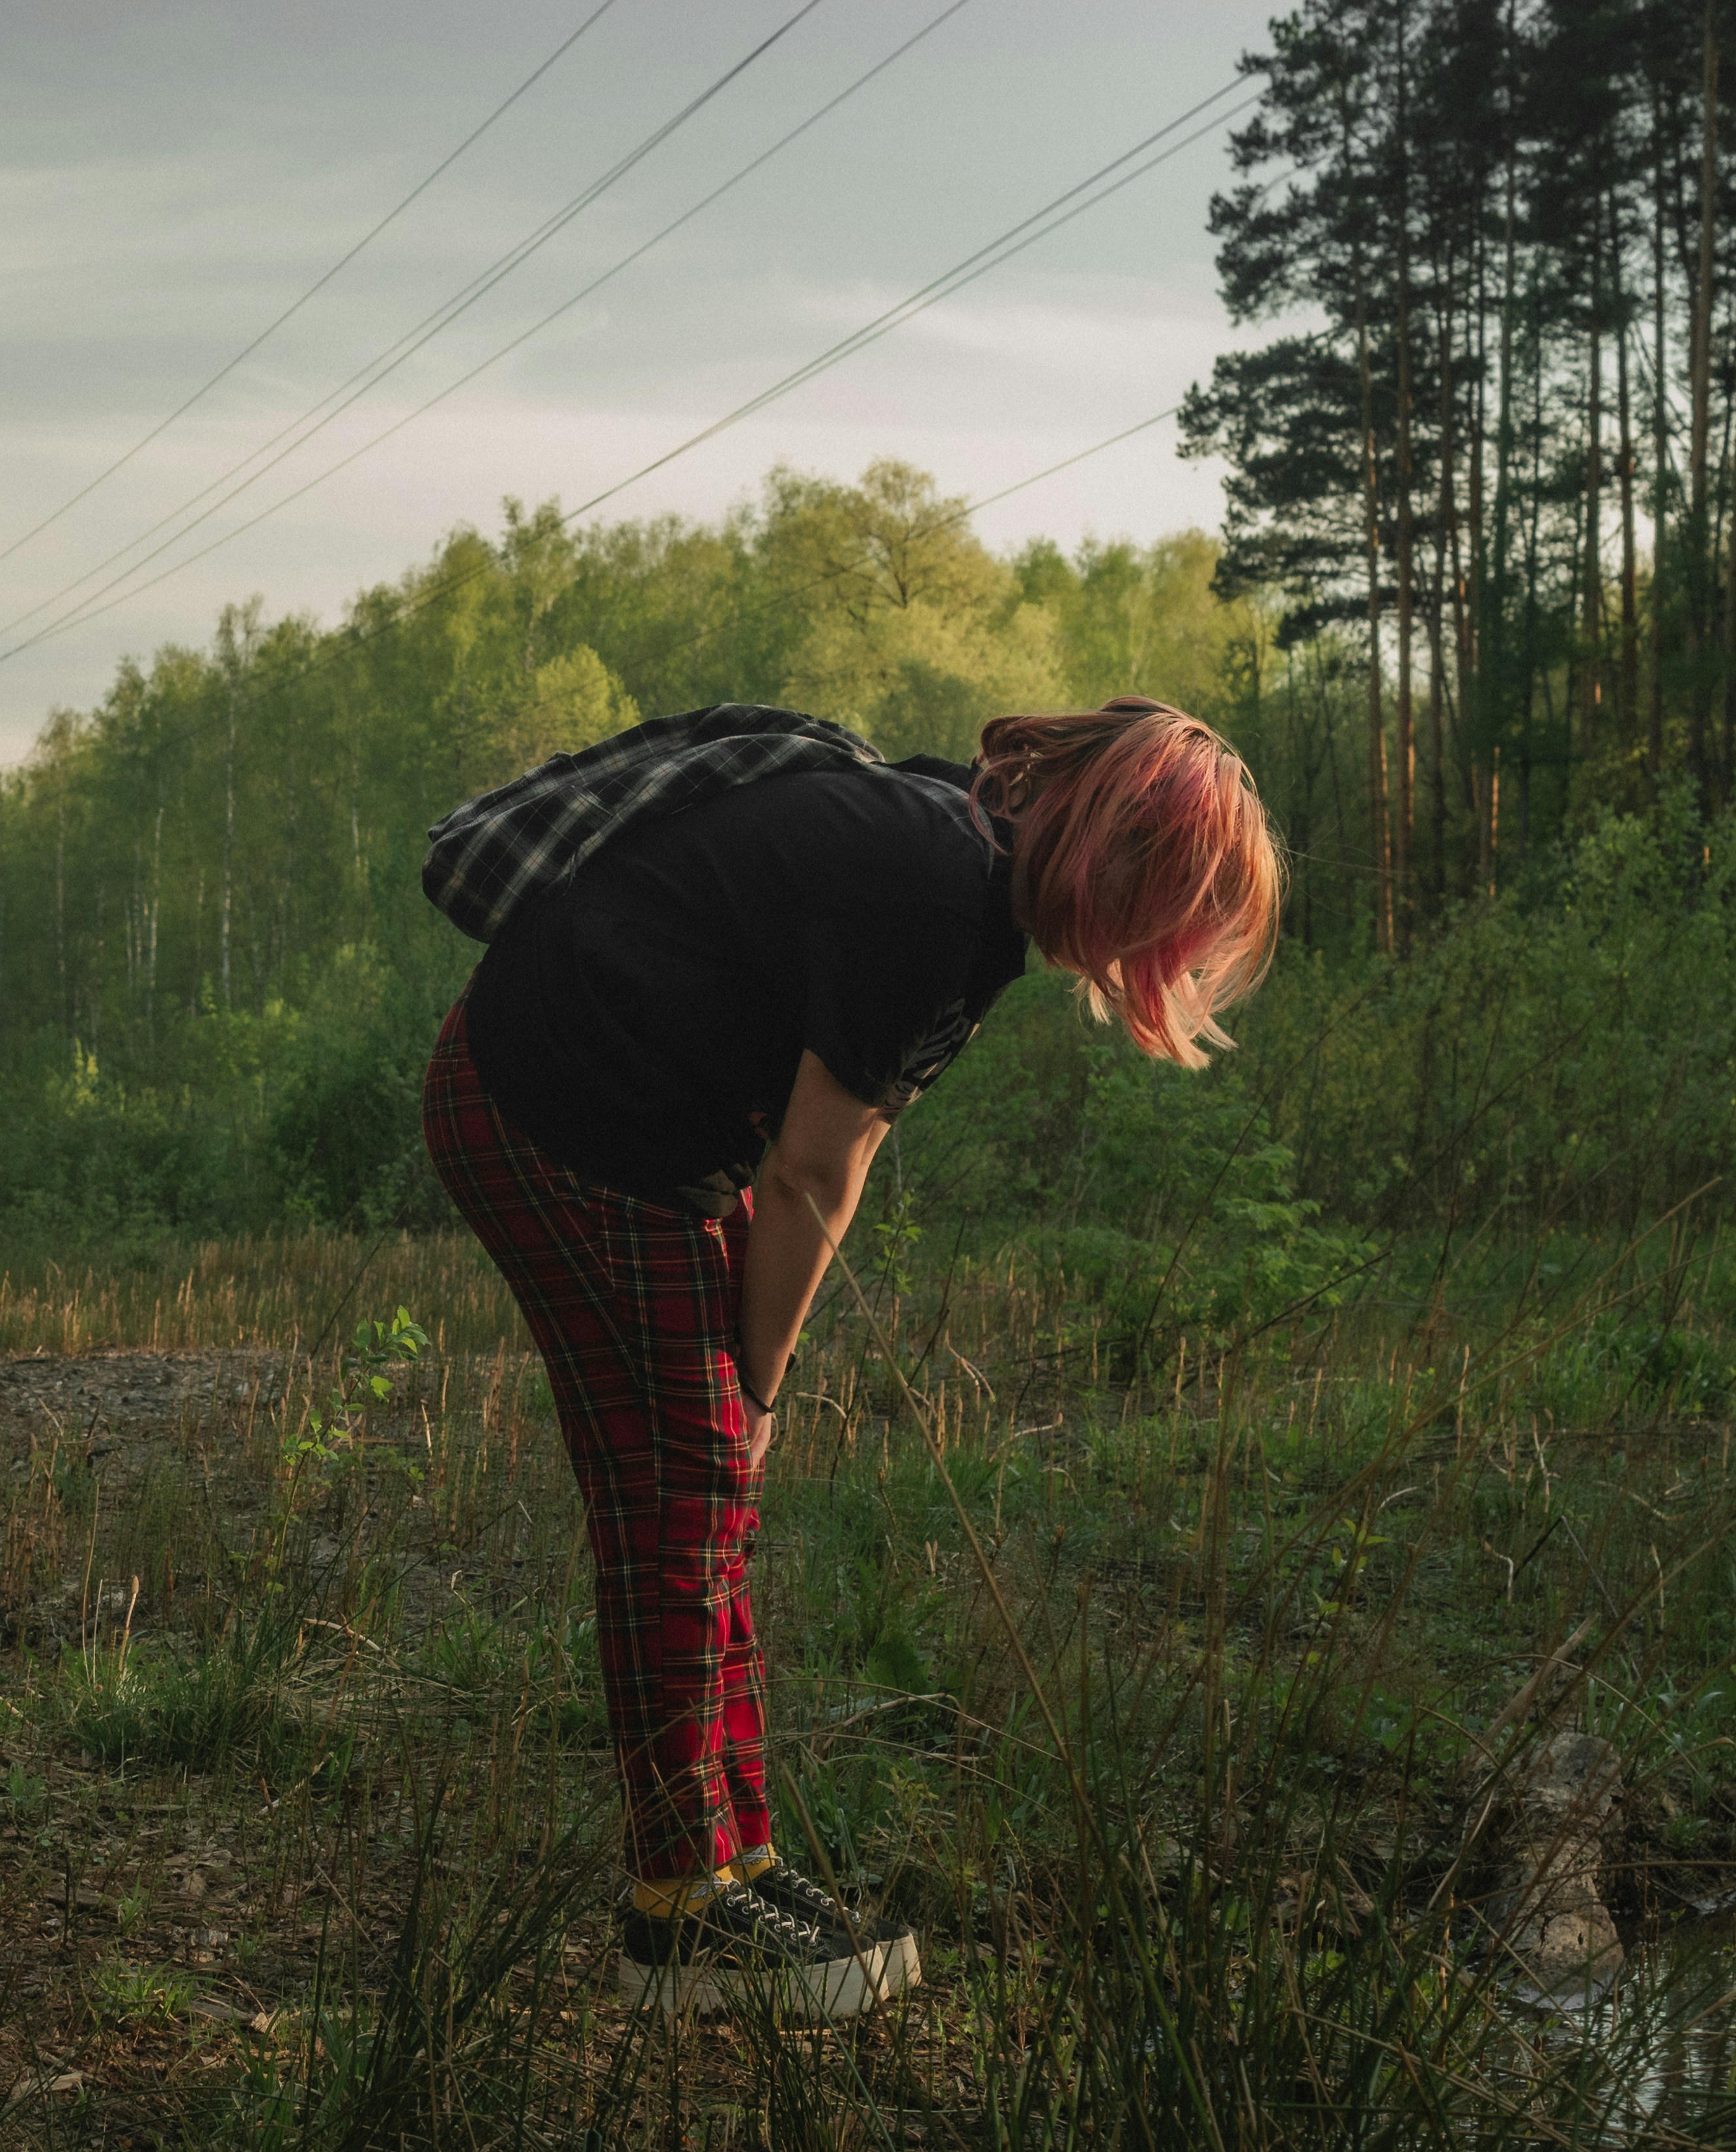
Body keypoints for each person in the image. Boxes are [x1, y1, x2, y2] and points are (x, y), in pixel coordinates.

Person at [419, 696, 1281, 2016]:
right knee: (686, 1484)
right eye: (1171, 903)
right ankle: (684, 1907)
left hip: (609, 1113)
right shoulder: (938, 891)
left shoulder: (963, 874)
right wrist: (753, 1388)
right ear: (1124, 858)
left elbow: (844, 1146)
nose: (1159, 945)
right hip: (557, 1102)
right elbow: (813, 1172)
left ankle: (733, 1858)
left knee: (692, 1490)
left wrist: (745, 1391)